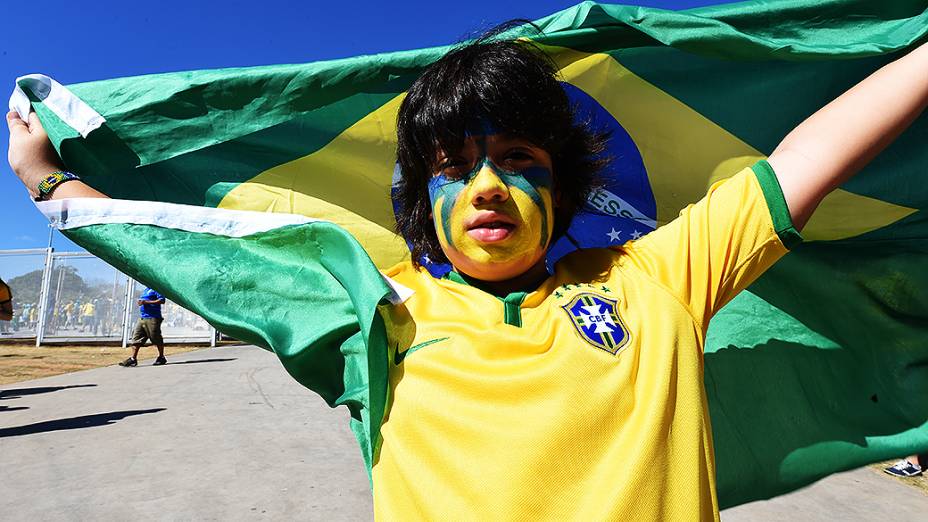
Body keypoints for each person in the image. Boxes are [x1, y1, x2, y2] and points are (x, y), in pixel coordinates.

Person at [6, 27, 928, 520]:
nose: (488, 185)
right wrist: (49, 183)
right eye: (455, 164)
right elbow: (206, 254)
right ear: (422, 198)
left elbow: (804, 161)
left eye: (519, 157)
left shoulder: (660, 277)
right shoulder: (381, 309)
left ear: (561, 184)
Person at [118, 287, 167, 367]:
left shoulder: (156, 288)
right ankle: (133, 359)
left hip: (153, 317)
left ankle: (161, 357)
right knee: (136, 337)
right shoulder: (145, 290)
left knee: (156, 337)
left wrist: (146, 302)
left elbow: (162, 300)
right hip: (142, 317)